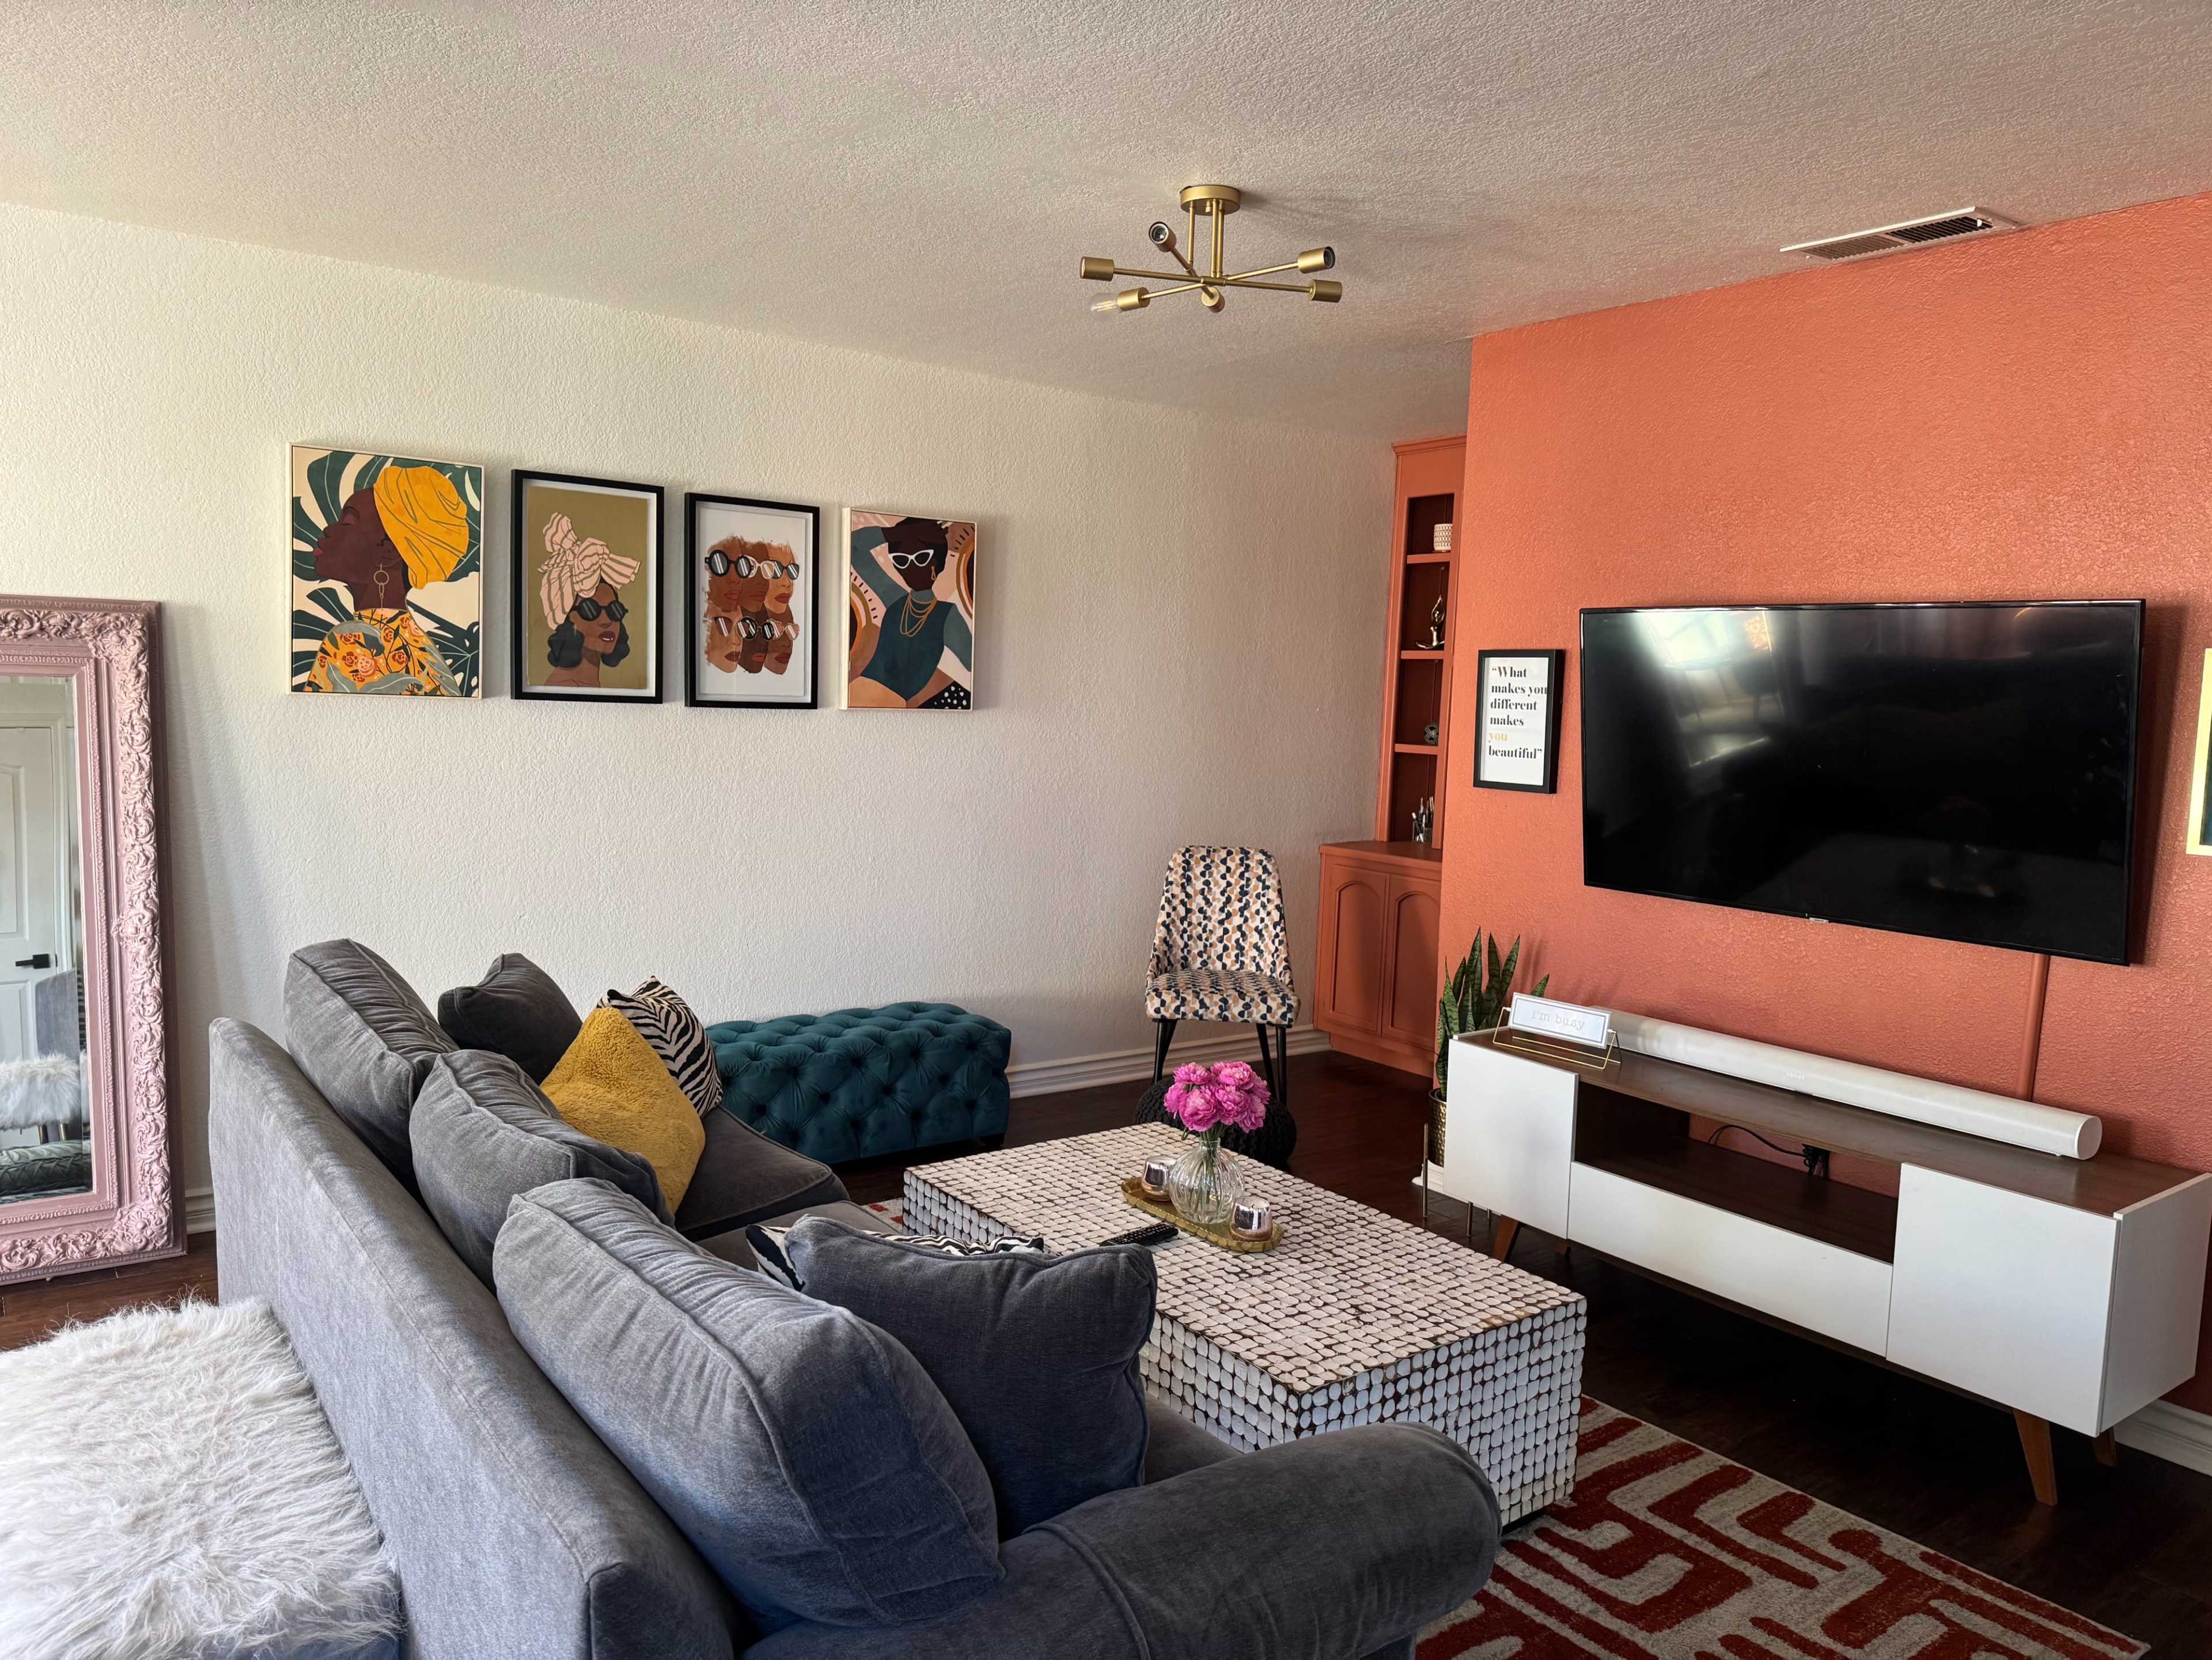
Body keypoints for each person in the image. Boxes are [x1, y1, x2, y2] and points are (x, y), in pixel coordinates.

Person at [302, 464, 471, 695]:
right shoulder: (426, 655)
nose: (329, 529)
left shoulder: (352, 642)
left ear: (389, 552)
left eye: (348, 521)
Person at [847, 517, 972, 708]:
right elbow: (853, 547)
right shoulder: (895, 597)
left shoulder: (947, 617)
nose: (910, 568)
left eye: (921, 558)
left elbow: (976, 665)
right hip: (859, 698)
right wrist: (904, 533)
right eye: (901, 560)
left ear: (935, 564)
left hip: (886, 707)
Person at [538, 513, 639, 689]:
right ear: (566, 619)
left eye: (614, 611)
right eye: (591, 610)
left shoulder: (588, 685)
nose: (607, 621)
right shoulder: (566, 687)